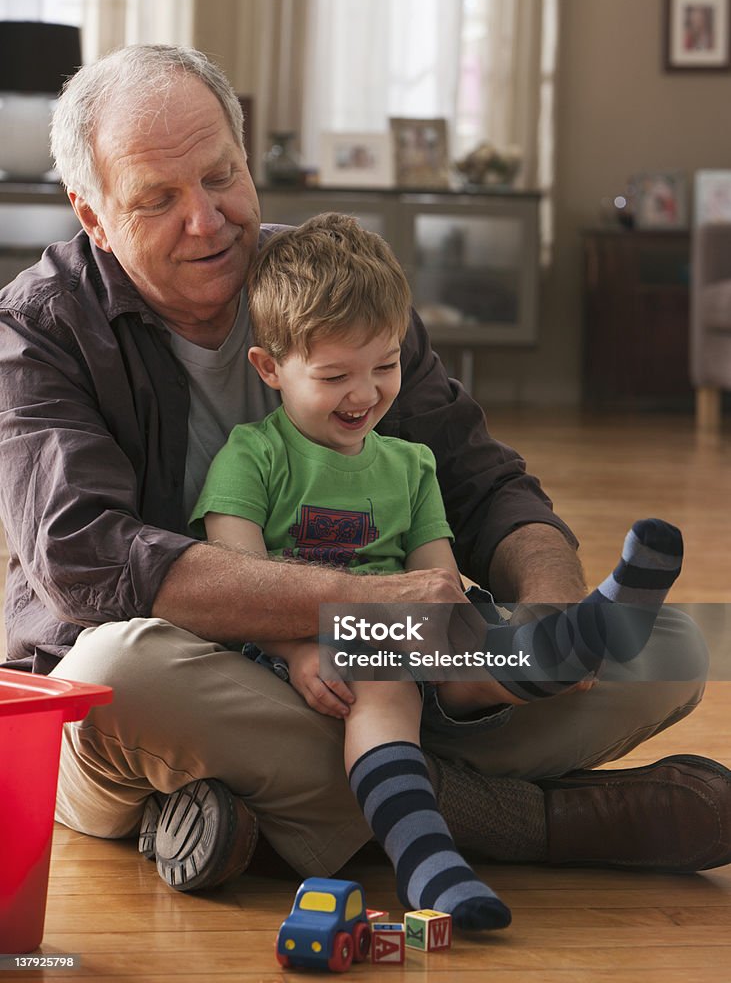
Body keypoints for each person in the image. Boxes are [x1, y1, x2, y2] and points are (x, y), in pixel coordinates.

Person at [0, 44, 727, 898]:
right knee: (111, 680)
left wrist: (551, 613)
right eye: (157, 200)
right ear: (92, 215)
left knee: (670, 648)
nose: (207, 220)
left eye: (221, 176)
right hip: (198, 672)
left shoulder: (328, 285)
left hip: (383, 666)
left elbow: (484, 482)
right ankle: (520, 822)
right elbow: (89, 558)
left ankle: (272, 809)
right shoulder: (37, 330)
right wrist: (368, 606)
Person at [189, 211, 684, 929]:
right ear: (270, 368)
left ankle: (583, 634)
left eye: (384, 366)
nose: (364, 395)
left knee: (468, 649)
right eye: (334, 376)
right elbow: (239, 576)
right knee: (385, 684)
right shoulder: (251, 456)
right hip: (302, 643)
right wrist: (296, 648)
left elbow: (437, 578)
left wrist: (471, 628)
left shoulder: (412, 464)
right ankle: (427, 864)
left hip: (402, 633)